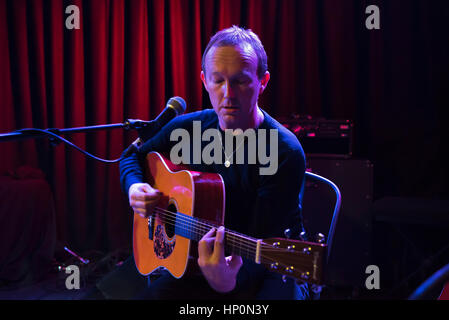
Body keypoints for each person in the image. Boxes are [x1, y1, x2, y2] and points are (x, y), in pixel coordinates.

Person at [97, 25, 310, 300]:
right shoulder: (189, 128)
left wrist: (225, 282)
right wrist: (135, 187)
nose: (228, 93)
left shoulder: (283, 151)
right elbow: (132, 156)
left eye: (241, 81)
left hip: (265, 265)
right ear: (204, 81)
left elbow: (262, 243)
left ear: (263, 81)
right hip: (193, 261)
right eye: (218, 80)